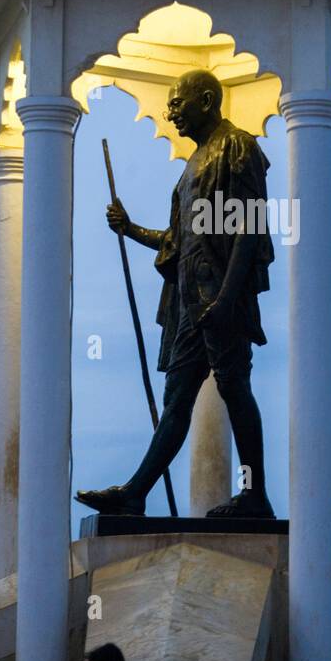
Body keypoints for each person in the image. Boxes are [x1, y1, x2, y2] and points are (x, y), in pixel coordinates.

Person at [77, 69, 275, 519]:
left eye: (178, 102)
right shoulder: (192, 167)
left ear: (206, 101)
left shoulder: (236, 148)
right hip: (189, 300)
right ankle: (136, 492)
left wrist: (226, 298)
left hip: (219, 296)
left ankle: (255, 494)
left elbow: (247, 226)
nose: (170, 113)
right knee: (177, 399)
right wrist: (129, 230)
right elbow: (179, 239)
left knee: (234, 385)